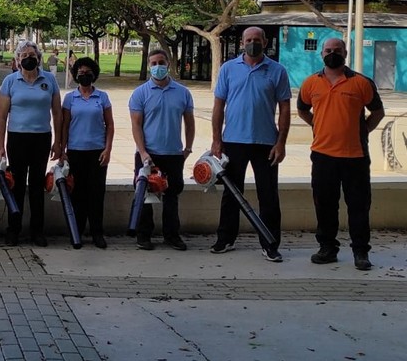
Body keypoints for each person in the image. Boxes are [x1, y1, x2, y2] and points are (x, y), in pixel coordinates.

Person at [296, 38, 384, 270]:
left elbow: (377, 112)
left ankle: (360, 252)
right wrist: (318, 125)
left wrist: (364, 129)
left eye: (337, 50)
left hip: (355, 155)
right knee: (324, 205)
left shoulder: (362, 83)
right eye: (328, 50)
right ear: (321, 54)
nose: (332, 53)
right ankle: (327, 248)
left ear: (345, 53)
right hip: (323, 155)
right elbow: (302, 109)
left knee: (358, 206)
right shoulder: (311, 83)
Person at [210, 26, 290, 262]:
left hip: (266, 143)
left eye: (257, 39)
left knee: (269, 196)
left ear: (265, 42)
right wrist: (217, 139)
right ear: (242, 43)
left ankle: (270, 243)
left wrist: (281, 142)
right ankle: (225, 239)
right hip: (233, 141)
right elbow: (218, 106)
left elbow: (285, 108)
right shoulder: (228, 69)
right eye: (248, 40)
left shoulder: (277, 71)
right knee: (232, 194)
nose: (252, 43)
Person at [0, 40, 62, 247]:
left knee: (36, 186)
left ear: (39, 58)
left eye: (31, 55)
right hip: (16, 138)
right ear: (17, 60)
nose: (28, 59)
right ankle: (13, 230)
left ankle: (37, 231)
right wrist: (0, 146)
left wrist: (58, 141)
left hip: (41, 138)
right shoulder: (10, 81)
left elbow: (57, 112)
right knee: (15, 186)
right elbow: (2, 117)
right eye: (23, 56)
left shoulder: (49, 79)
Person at [129, 49, 195, 251]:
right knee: (145, 196)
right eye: (154, 63)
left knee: (172, 196)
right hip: (148, 154)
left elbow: (189, 123)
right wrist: (143, 152)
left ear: (168, 64)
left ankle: (172, 235)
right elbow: (136, 125)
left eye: (161, 62)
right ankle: (143, 236)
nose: (158, 66)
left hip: (174, 154)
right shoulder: (140, 93)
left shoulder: (183, 92)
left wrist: (188, 149)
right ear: (149, 66)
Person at [61, 57, 114, 248]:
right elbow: (65, 126)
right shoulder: (69, 98)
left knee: (96, 194)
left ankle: (97, 233)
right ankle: (77, 232)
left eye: (88, 73)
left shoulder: (102, 97)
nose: (84, 76)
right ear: (75, 75)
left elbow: (110, 125)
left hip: (97, 153)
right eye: (81, 73)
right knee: (78, 194)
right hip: (75, 152)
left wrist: (108, 149)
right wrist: (62, 150)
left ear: (94, 74)